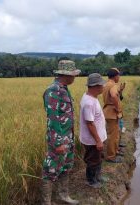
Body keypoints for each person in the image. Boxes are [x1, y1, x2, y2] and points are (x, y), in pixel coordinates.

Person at [41, 60, 80, 205]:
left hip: (67, 137)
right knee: (50, 170)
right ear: (65, 75)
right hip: (58, 139)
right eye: (73, 75)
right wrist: (58, 142)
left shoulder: (63, 88)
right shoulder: (53, 90)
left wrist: (69, 139)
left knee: (66, 167)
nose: (75, 78)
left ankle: (63, 196)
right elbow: (53, 118)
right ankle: (46, 202)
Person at [79, 73, 107, 189]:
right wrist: (98, 141)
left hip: (96, 138)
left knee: (98, 158)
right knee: (93, 160)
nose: (103, 87)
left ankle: (97, 176)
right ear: (95, 86)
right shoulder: (89, 103)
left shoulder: (92, 98)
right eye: (101, 85)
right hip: (92, 140)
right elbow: (90, 124)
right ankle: (91, 181)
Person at [102, 68, 124, 163]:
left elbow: (113, 95)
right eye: (118, 75)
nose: (119, 77)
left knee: (114, 134)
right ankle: (111, 156)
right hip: (112, 113)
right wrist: (118, 109)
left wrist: (120, 91)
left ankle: (115, 151)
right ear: (115, 76)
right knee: (113, 136)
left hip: (108, 111)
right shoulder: (113, 85)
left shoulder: (106, 84)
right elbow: (114, 96)